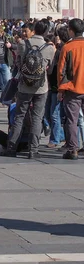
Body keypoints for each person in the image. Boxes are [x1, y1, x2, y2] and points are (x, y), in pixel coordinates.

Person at [1, 20, 55, 159]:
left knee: (19, 117)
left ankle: (11, 148)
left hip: (24, 86)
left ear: (34, 29)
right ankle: (33, 150)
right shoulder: (49, 47)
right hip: (41, 87)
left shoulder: (23, 44)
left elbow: (18, 64)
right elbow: (50, 70)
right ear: (46, 32)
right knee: (37, 118)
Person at [57, 18, 84, 159]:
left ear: (71, 30)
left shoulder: (68, 47)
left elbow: (61, 71)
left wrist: (60, 90)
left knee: (71, 120)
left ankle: (73, 149)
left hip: (73, 89)